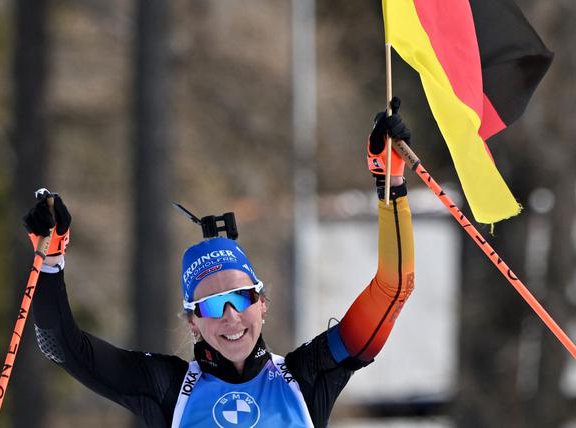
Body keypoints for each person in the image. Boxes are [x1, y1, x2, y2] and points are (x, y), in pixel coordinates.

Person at [28, 100, 416, 428]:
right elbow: (61, 346)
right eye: (213, 306)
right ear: (193, 322)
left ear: (262, 304)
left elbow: (394, 287)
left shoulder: (306, 377)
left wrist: (390, 183)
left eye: (241, 297)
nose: (231, 316)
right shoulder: (166, 389)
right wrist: (51, 258)